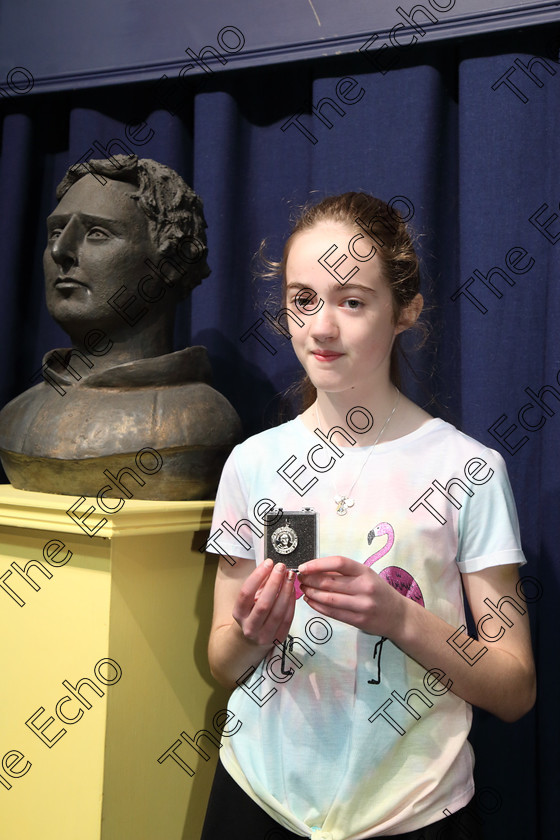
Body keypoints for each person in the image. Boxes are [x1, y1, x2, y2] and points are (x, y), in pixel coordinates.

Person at [201, 192, 536, 840]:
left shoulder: (470, 470)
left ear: (405, 309)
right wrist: (251, 633)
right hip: (258, 799)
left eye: (351, 301)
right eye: (303, 300)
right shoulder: (252, 463)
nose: (320, 328)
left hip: (411, 810)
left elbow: (514, 687)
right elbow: (222, 659)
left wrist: (400, 618)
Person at [0, 154, 241, 499]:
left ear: (171, 263)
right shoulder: (15, 417)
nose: (60, 250)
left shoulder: (199, 423)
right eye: (55, 231)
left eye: (97, 233)